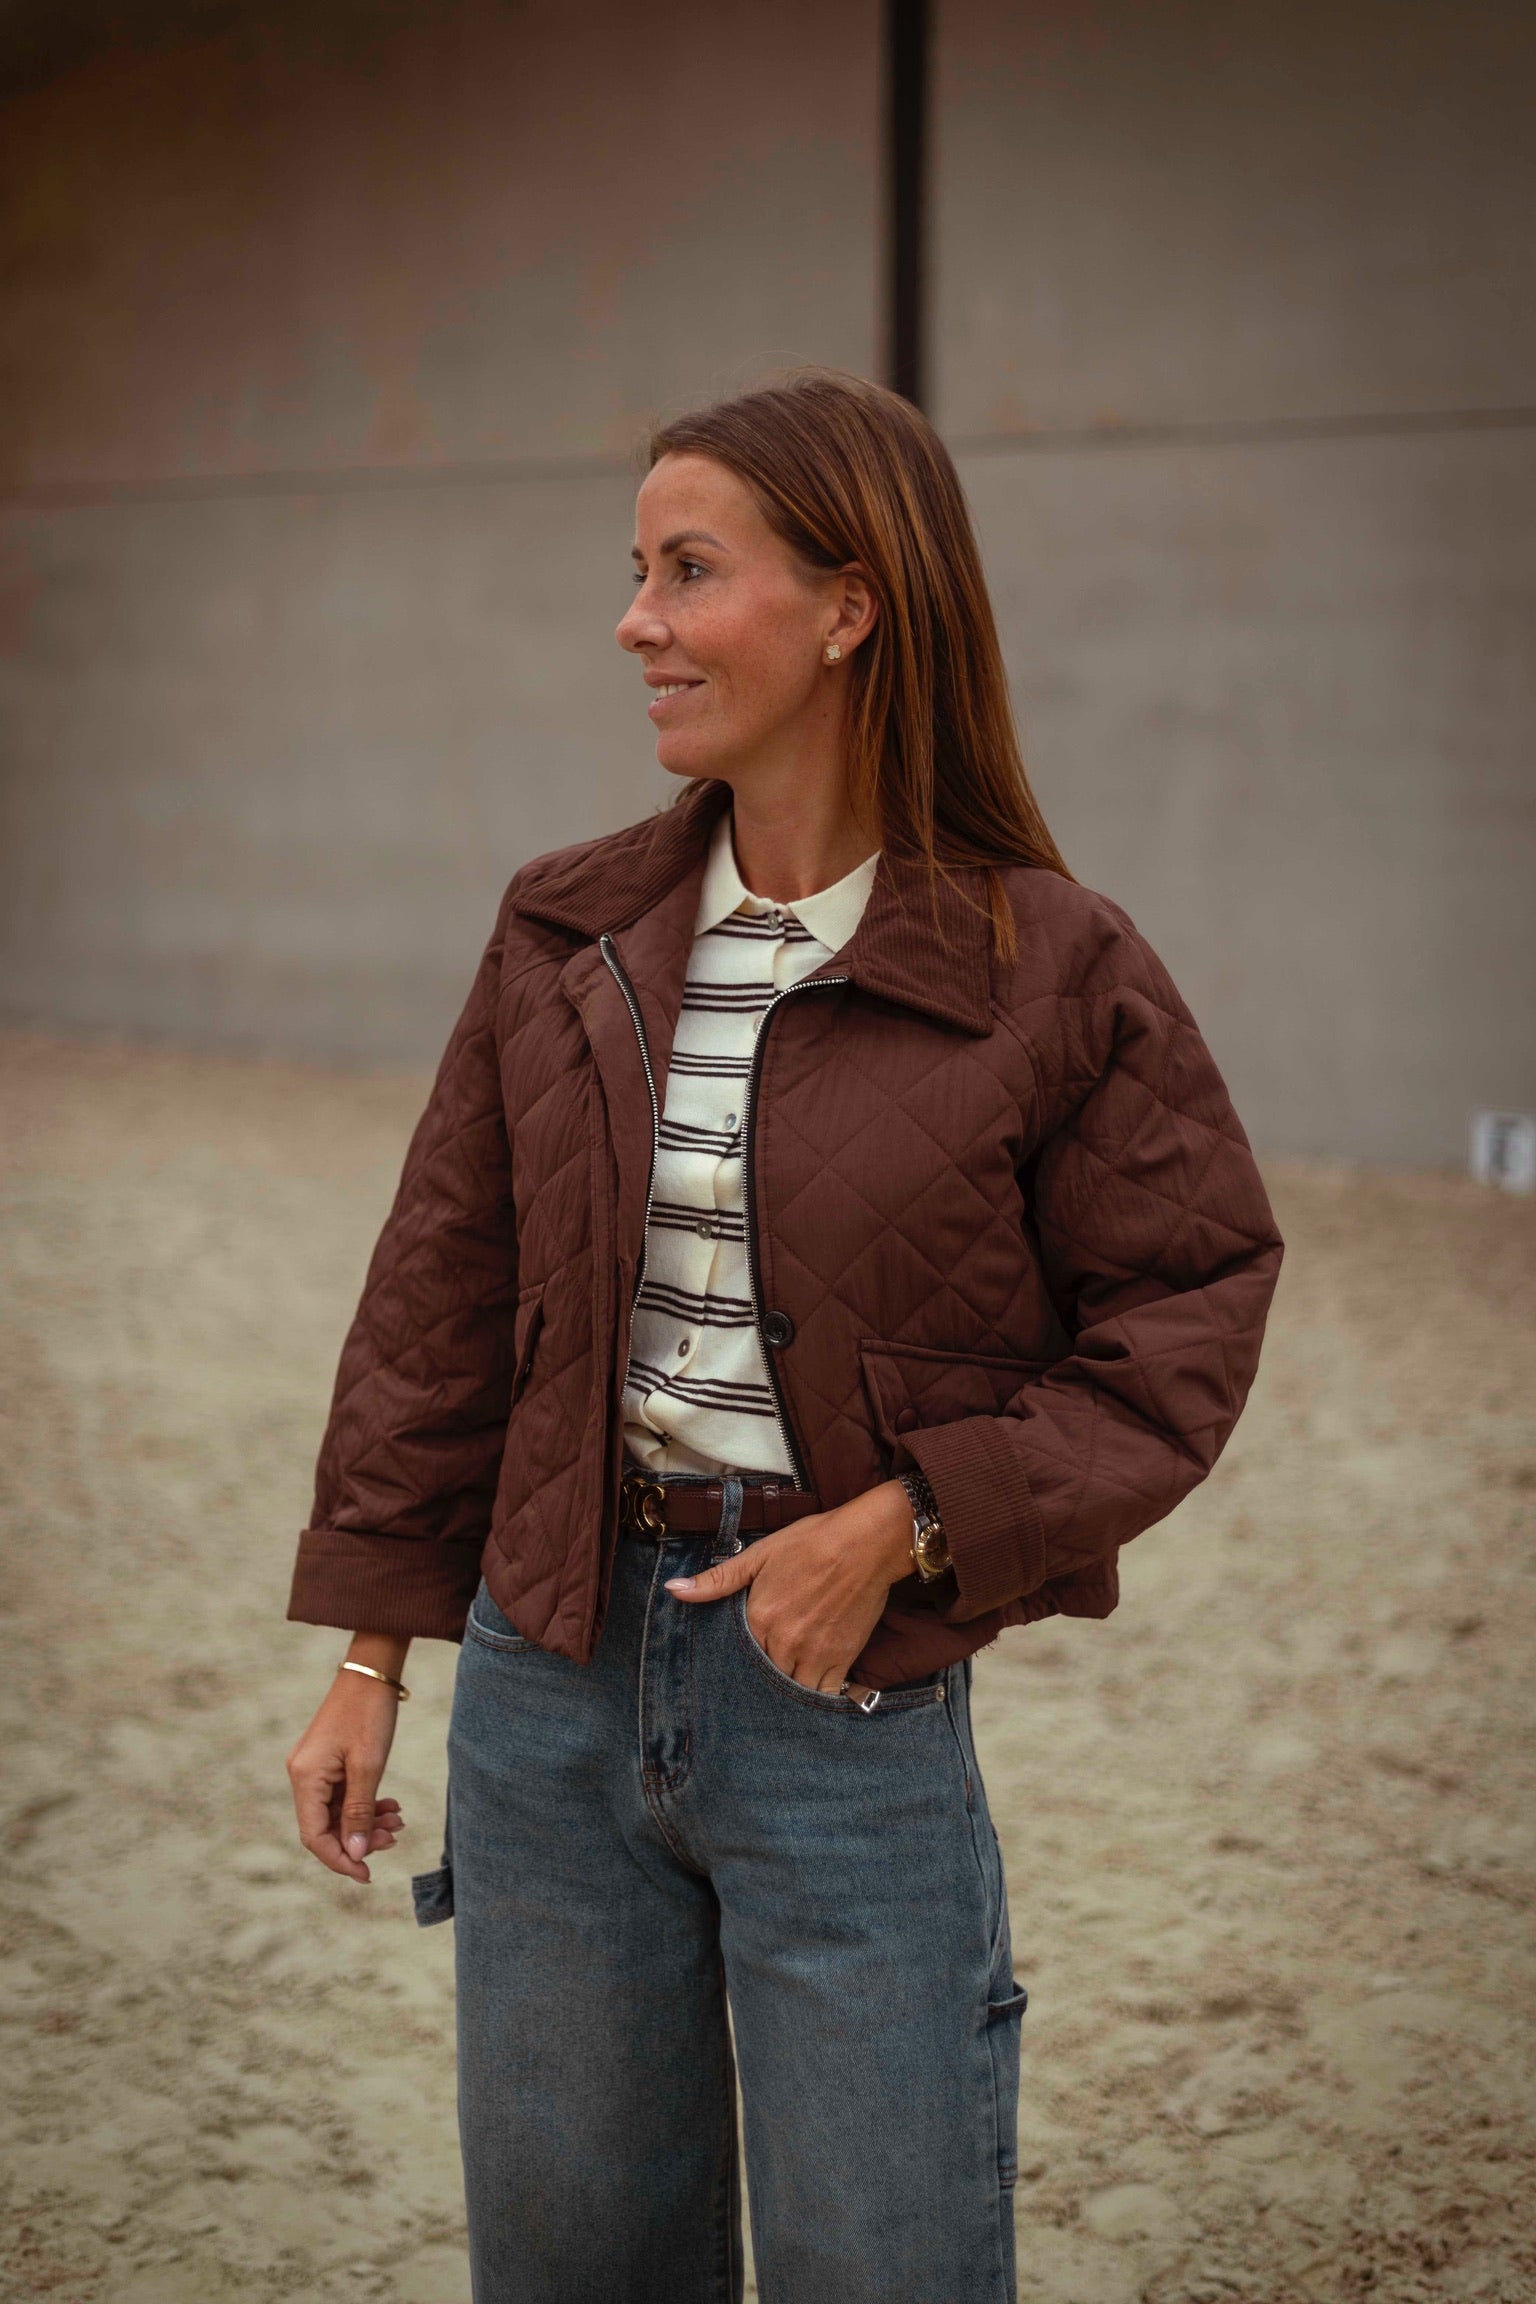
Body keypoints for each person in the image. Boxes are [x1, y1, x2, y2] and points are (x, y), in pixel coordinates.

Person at [285, 369, 1282, 2303]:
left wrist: (914, 1522)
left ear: (849, 606)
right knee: (577, 2264)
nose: (634, 623)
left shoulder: (1050, 963)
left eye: (688, 571)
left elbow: (1189, 1308)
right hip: (549, 1686)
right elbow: (440, 1298)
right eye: (635, 571)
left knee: (882, 2260)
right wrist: (369, 1653)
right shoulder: (561, 932)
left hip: (844, 1699)